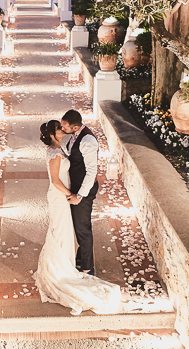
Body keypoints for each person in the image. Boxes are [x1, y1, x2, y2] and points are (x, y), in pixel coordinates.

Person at [33, 120, 121, 315]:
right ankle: (61, 268)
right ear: (53, 135)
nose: (62, 130)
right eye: (59, 128)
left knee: (64, 230)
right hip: (59, 196)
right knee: (61, 230)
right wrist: (70, 195)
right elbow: (55, 181)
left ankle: (66, 262)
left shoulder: (60, 149)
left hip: (63, 195)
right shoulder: (55, 154)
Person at [60, 109, 98, 274]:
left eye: (65, 127)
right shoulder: (75, 137)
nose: (63, 130)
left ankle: (88, 269)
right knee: (78, 227)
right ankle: (80, 260)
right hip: (76, 185)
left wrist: (80, 195)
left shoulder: (87, 141)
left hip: (84, 190)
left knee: (83, 230)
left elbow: (91, 172)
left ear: (75, 127)